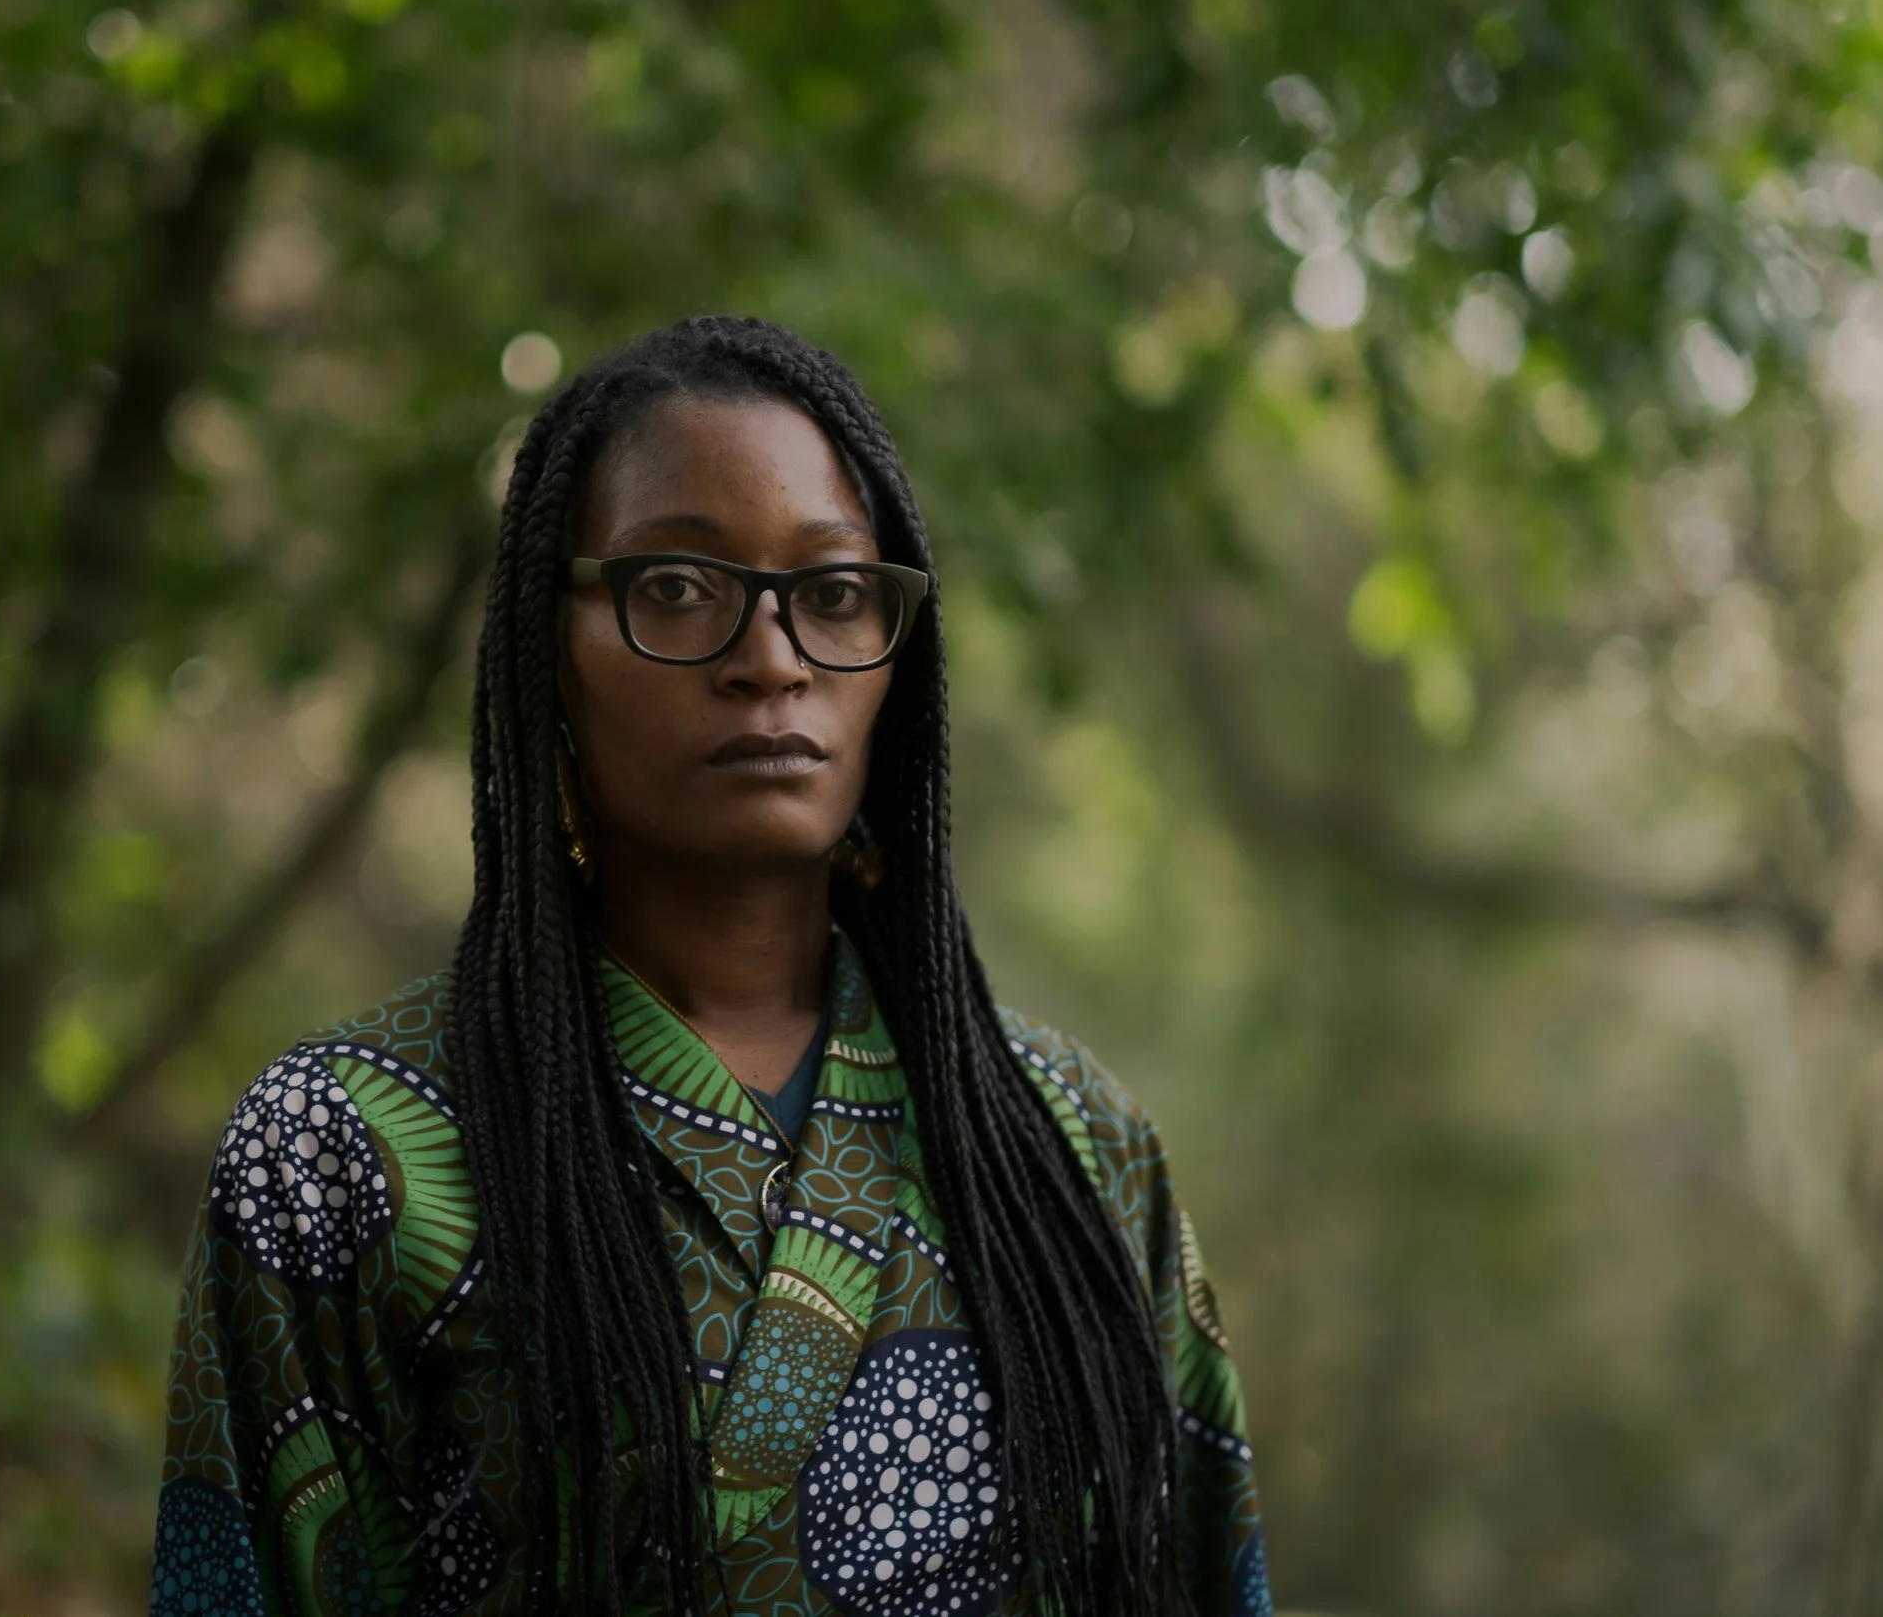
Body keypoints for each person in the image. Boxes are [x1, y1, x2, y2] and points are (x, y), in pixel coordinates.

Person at [150, 317, 1271, 1616]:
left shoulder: (1076, 1145)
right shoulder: (341, 1151)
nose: (773, 659)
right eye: (677, 586)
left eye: (836, 593)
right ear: (544, 652)